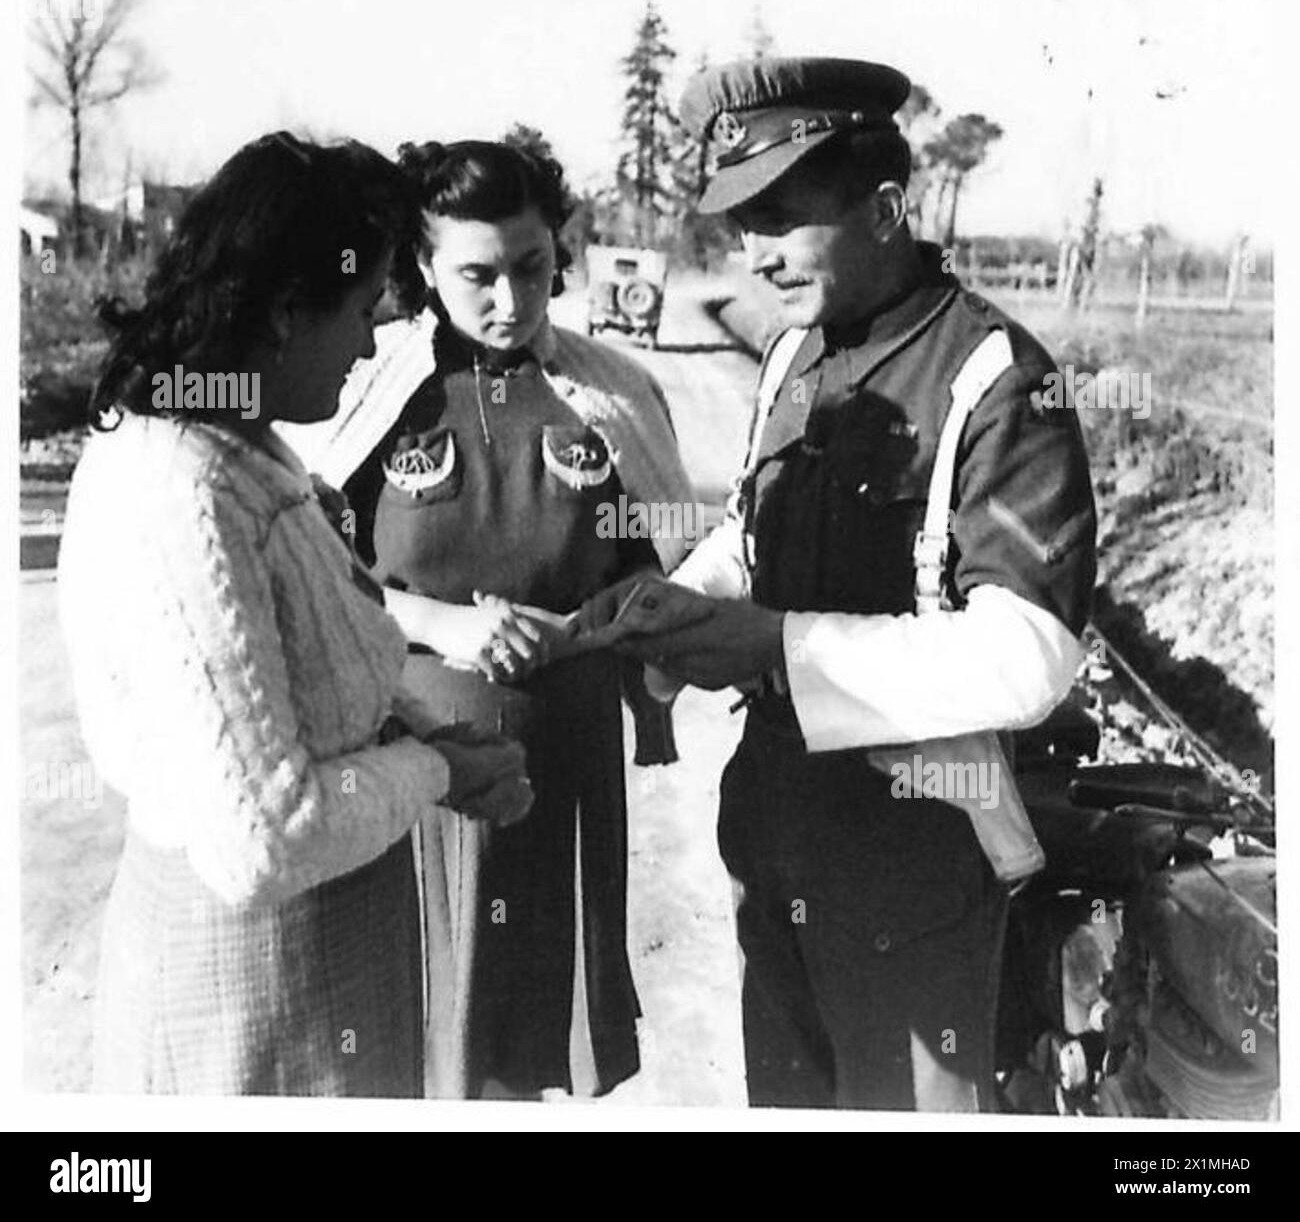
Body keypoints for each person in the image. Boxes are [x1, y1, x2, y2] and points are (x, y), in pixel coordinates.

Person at [583, 57, 1097, 1110]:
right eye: (740, 227)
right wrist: (683, 601)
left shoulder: (995, 378)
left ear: (884, 207)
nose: (756, 256)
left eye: (781, 219)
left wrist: (771, 647)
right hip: (774, 836)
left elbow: (1031, 651)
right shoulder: (790, 354)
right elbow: (749, 530)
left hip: (912, 857)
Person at [59, 131, 530, 1097]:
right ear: (282, 313)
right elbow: (262, 841)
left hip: (321, 966)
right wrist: (434, 767)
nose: (368, 346)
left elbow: (307, 677)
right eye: (360, 315)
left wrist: (423, 735)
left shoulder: (240, 440)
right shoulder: (183, 491)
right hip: (245, 988)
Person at [282, 138, 696, 1099]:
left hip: (564, 775)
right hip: (412, 779)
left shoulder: (613, 392)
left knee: (532, 1056)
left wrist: (584, 627)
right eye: (477, 274)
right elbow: (307, 582)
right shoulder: (361, 387)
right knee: (421, 1047)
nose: (510, 300)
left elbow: (672, 570)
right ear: (423, 268)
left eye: (532, 267)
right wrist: (441, 623)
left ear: (561, 252)